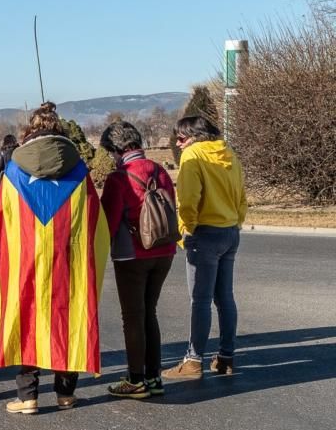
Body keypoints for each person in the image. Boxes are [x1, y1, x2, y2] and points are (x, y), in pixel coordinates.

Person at [0, 102, 110, 415]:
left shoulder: (13, 171)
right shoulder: (79, 171)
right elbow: (95, 221)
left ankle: (28, 397)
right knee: (69, 316)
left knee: (25, 317)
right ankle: (66, 393)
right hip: (68, 262)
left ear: (30, 131)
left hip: (24, 260)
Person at [162, 116, 246, 380]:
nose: (178, 143)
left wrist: (186, 230)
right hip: (230, 230)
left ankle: (193, 360)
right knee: (225, 297)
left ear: (194, 136)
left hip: (204, 233)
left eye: (181, 138)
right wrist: (236, 221)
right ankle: (226, 357)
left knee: (200, 300)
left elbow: (187, 199)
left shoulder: (193, 155)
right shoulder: (228, 152)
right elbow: (241, 195)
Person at [99, 121, 178, 398]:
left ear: (116, 149)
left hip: (131, 254)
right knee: (150, 313)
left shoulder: (118, 179)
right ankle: (154, 377)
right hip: (164, 250)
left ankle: (135, 379)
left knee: (132, 316)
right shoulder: (160, 170)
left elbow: (108, 224)